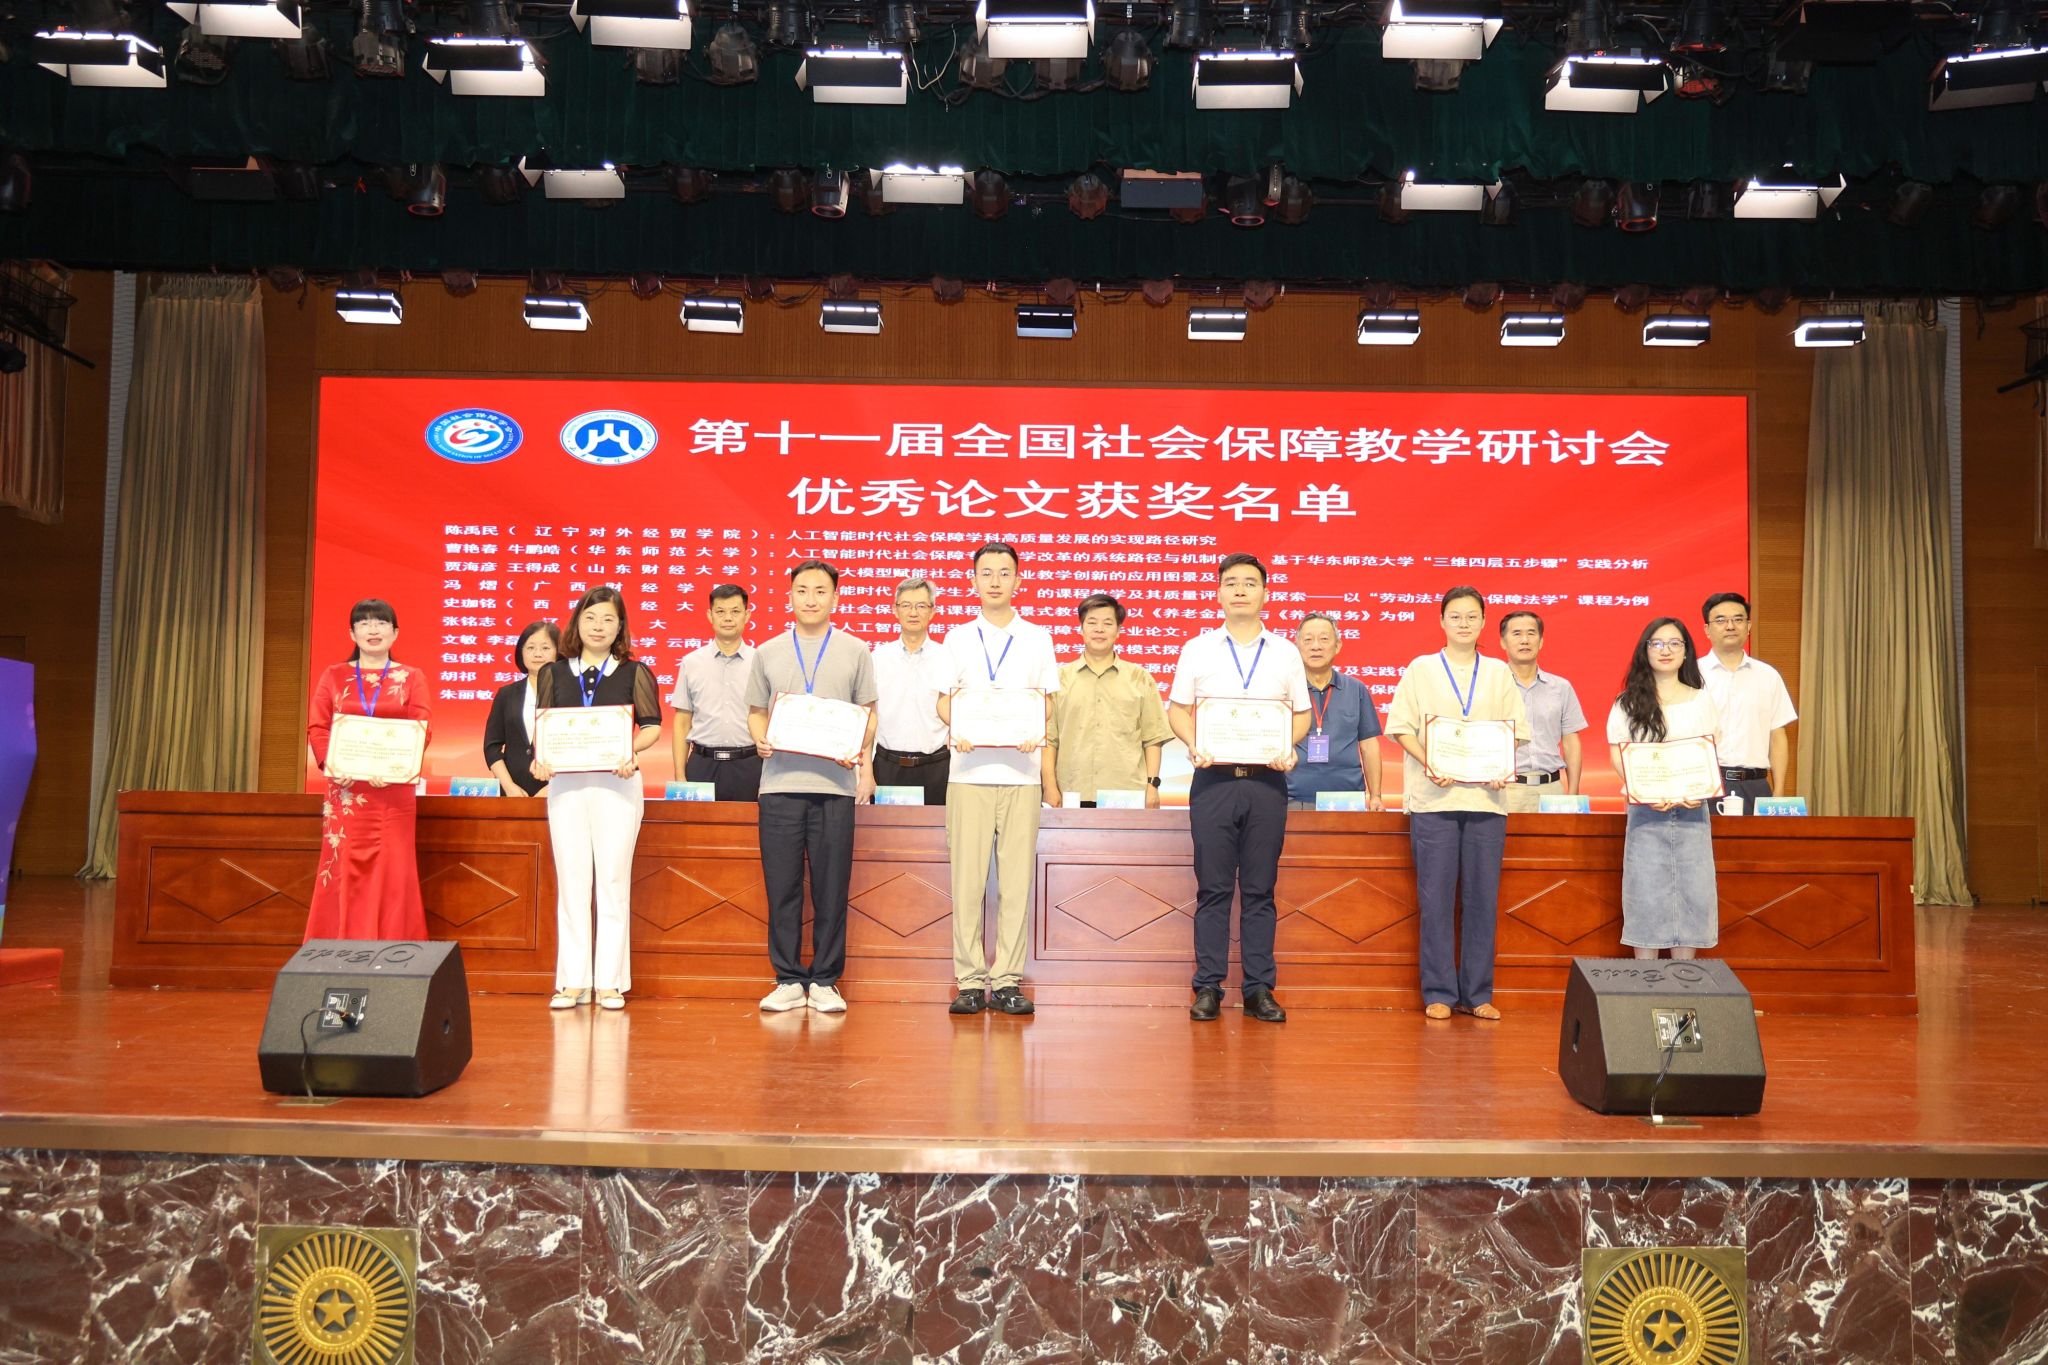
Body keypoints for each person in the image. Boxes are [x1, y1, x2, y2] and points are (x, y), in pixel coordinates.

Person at [1166, 553, 1311, 1024]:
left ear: (1266, 592)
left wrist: (1287, 746)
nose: (1241, 590)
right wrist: (1194, 743)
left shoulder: (1285, 652)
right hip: (1214, 782)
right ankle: (1208, 986)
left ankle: (1258, 989)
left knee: (1260, 889)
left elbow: (1302, 714)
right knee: (1212, 889)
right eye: (1231, 583)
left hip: (1266, 783)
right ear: (1219, 592)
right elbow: (1177, 709)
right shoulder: (1198, 648)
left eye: (1250, 583)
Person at [1384, 586, 1530, 1021]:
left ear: (1483, 622)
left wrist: (1502, 765)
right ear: (1442, 621)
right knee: (1436, 900)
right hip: (1434, 799)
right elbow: (1401, 727)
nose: (1463, 623)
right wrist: (1430, 761)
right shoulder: (1421, 669)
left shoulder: (1499, 672)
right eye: (1455, 616)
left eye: (1471, 616)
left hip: (1487, 799)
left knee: (1483, 899)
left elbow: (1516, 732)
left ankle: (1478, 993)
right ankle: (1439, 992)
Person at [748, 559, 878, 1014]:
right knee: (781, 888)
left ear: (835, 598)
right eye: (802, 590)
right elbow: (756, 711)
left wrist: (858, 751)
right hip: (779, 786)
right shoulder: (767, 652)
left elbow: (868, 713)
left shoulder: (856, 650)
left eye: (820, 591)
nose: (810, 599)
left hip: (835, 788)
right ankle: (787, 978)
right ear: (790, 597)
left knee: (831, 888)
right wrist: (759, 738)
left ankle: (824, 980)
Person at [938, 541, 1061, 1017]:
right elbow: (944, 701)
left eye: (1004, 572)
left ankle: (1008, 980)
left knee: (1015, 884)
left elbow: (1046, 702)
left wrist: (1035, 730)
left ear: (1017, 580)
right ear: (973, 581)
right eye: (986, 572)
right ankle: (970, 982)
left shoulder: (1037, 638)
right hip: (968, 776)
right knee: (967, 884)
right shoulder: (957, 638)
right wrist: (957, 727)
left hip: (1022, 777)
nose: (994, 581)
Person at [532, 586, 663, 1011]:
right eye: (590, 618)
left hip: (617, 786)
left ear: (620, 627)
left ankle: (609, 982)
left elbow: (652, 726)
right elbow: (543, 727)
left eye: (608, 619)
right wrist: (540, 759)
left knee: (612, 881)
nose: (599, 627)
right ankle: (572, 981)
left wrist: (630, 752)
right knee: (572, 882)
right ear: (577, 623)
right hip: (567, 788)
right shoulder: (553, 673)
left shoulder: (635, 671)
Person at [305, 598, 433, 941]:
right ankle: (339, 947)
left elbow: (421, 729)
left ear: (395, 632)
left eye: (380, 622)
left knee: (394, 870)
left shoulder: (412, 677)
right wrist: (333, 765)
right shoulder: (334, 675)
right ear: (352, 633)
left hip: (393, 793)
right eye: (363, 623)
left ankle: (393, 950)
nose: (372, 629)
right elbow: (318, 726)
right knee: (343, 868)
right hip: (346, 790)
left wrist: (393, 768)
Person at [1608, 618, 1723, 959]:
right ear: (1645, 650)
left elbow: (1711, 751)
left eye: (1675, 643)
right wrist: (1643, 790)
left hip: (1693, 811)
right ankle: (1647, 983)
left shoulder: (1701, 700)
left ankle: (1683, 979)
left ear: (1686, 651)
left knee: (1693, 897)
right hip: (1645, 813)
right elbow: (1618, 752)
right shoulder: (1627, 702)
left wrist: (1698, 790)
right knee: (1646, 897)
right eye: (1657, 643)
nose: (1666, 650)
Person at [1043, 592, 1171, 809]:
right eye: (1092, 622)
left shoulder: (1139, 678)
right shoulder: (1059, 680)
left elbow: (1153, 739)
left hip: (1126, 794)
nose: (1099, 629)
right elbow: (1049, 740)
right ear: (1081, 629)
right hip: (1071, 791)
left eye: (1108, 623)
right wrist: (1049, 786)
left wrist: (1152, 786)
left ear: (1118, 631)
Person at [1696, 592, 1797, 809]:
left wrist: (1779, 791)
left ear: (1748, 626)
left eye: (1738, 619)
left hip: (1756, 785)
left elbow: (1777, 736)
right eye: (1721, 620)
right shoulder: (1692, 675)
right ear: (1707, 629)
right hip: (1705, 785)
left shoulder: (1768, 675)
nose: (1730, 626)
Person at [863, 576, 953, 806]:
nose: (913, 612)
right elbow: (868, 718)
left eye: (921, 606)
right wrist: (866, 774)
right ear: (895, 610)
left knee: (938, 830)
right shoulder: (877, 658)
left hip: (937, 768)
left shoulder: (948, 658)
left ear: (932, 611)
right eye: (906, 605)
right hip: (888, 767)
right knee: (889, 830)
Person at [670, 583, 762, 802]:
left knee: (750, 825)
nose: (728, 618)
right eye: (720, 611)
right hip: (702, 765)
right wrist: (680, 774)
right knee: (697, 825)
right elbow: (682, 722)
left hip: (750, 765)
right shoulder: (691, 662)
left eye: (735, 611)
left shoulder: (761, 661)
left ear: (747, 615)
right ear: (710, 615)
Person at [1285, 612, 1385, 812]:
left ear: (1337, 646)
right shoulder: (1285, 690)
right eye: (1308, 640)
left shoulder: (1356, 689)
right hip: (1292, 797)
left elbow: (1369, 745)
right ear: (1297, 646)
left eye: (1324, 639)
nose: (1316, 646)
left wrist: (1376, 796)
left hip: (1347, 799)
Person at [1497, 610, 1588, 813]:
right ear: (1503, 642)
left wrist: (1573, 792)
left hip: (1552, 791)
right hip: (1506, 790)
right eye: (1517, 634)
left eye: (1531, 633)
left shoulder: (1561, 687)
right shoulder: (1492, 687)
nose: (1525, 640)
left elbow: (1571, 741)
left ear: (1541, 641)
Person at [483, 620, 561, 798]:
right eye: (530, 648)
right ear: (521, 652)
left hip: (557, 791)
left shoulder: (569, 694)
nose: (537, 654)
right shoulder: (506, 694)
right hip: (512, 792)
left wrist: (553, 788)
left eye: (545, 648)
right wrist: (508, 785)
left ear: (558, 652)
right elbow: (492, 747)